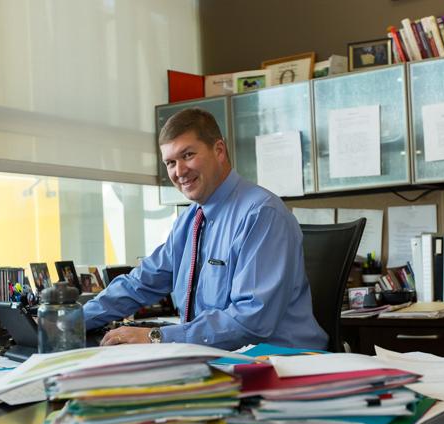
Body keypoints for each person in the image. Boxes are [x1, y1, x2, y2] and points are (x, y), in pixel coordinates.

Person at [84, 108, 327, 350]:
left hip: (281, 363)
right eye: (170, 162)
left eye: (188, 155)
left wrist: (156, 337)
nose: (179, 172)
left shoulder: (262, 214)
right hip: (217, 359)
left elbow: (251, 320)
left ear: (219, 151)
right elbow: (141, 282)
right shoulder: (190, 221)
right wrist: (70, 321)